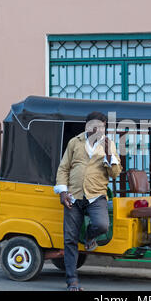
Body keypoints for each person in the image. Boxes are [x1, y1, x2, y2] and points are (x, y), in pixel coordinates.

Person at [54, 111, 122, 291]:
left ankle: (89, 237)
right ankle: (72, 281)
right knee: (69, 239)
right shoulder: (75, 142)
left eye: (101, 127)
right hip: (73, 196)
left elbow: (115, 173)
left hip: (96, 195)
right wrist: (62, 191)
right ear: (87, 127)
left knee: (102, 225)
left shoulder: (109, 144)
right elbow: (63, 169)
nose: (98, 130)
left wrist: (109, 154)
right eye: (94, 126)